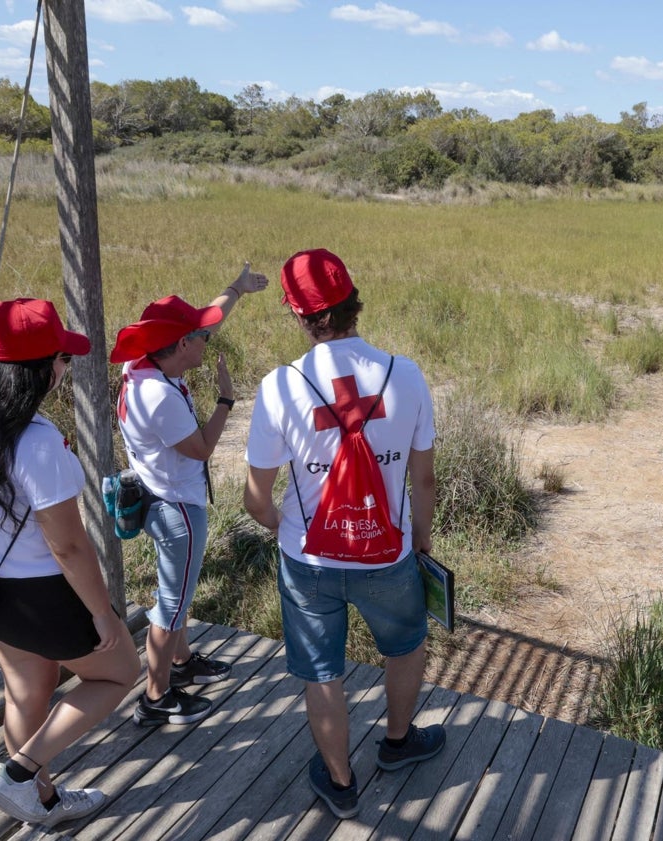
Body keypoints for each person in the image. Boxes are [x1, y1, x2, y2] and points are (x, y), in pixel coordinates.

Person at [0, 298, 141, 827]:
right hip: (45, 593)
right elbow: (68, 546)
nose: (65, 369)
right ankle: (17, 775)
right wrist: (104, 615)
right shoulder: (39, 444)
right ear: (34, 372)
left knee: (27, 689)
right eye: (60, 359)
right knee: (119, 673)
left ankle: (39, 800)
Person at [243, 248, 445, 820]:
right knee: (404, 646)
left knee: (322, 670)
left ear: (301, 316)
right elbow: (423, 478)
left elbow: (257, 499)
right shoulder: (405, 375)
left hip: (308, 560)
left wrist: (285, 528)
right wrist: (421, 542)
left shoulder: (279, 387)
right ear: (353, 302)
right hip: (389, 551)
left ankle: (340, 782)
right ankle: (399, 744)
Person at [109, 264, 269, 726]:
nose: (207, 340)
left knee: (176, 593)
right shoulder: (157, 398)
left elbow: (208, 320)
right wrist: (225, 400)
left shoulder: (142, 365)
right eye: (201, 339)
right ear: (182, 346)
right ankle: (155, 699)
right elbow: (201, 449)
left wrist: (235, 289)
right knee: (170, 605)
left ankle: (180, 665)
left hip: (162, 499)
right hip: (178, 508)